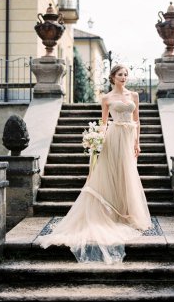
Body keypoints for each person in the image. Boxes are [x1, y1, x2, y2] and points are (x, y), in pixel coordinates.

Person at [36, 64, 152, 264]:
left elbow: (137, 120)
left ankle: (126, 214)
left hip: (128, 139)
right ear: (113, 77)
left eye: (126, 74)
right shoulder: (106, 98)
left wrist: (137, 143)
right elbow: (104, 122)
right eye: (120, 74)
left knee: (127, 175)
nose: (124, 77)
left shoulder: (134, 95)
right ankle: (110, 214)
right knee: (111, 174)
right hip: (114, 137)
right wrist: (96, 141)